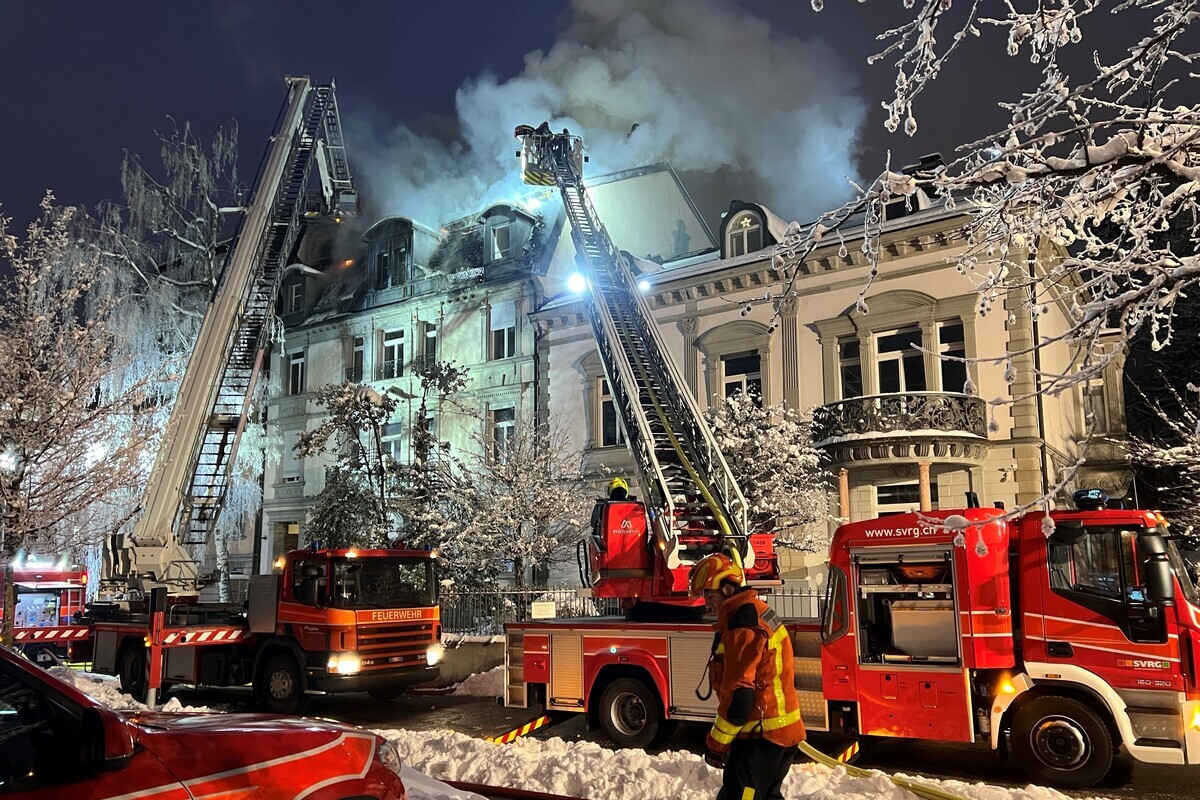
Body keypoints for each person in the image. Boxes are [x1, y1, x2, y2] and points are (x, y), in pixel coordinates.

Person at [690, 552, 804, 800]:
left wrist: (716, 745)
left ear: (728, 589)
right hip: (777, 735)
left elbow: (740, 696)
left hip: (762, 738)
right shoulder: (756, 612)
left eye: (709, 595)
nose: (706, 603)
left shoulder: (743, 625)